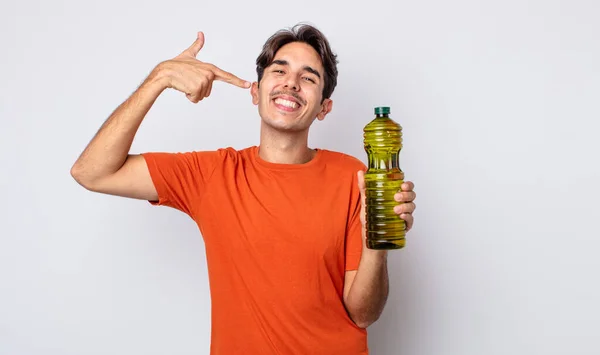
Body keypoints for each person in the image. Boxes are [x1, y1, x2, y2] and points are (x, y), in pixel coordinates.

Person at [70, 23, 417, 355]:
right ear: (256, 91)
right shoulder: (210, 174)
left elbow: (363, 314)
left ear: (324, 108)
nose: (291, 83)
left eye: (308, 77)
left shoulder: (353, 176)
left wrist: (376, 243)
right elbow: (91, 173)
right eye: (279, 70)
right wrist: (158, 78)